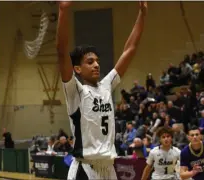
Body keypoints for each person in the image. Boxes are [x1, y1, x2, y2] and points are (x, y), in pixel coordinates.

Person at [56, 1, 147, 179]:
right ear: (77, 69)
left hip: (109, 168)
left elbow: (130, 49)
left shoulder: (107, 85)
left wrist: (142, 14)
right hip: (86, 169)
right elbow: (61, 51)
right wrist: (63, 10)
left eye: (97, 61)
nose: (96, 64)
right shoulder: (76, 91)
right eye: (90, 62)